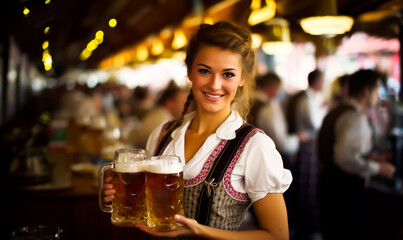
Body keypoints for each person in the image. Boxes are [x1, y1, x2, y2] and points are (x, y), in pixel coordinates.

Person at [103, 21, 292, 239]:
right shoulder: (162, 133)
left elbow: (278, 236)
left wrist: (199, 230)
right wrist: (123, 195)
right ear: (190, 72)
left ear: (242, 79)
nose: (214, 84)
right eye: (204, 71)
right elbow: (149, 212)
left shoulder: (255, 145)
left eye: (228, 74)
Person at [317, 69, 396, 240]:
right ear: (366, 91)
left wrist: (372, 158)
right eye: (377, 89)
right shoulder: (355, 117)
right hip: (344, 188)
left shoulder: (336, 111)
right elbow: (344, 158)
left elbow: (340, 150)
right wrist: (378, 168)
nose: (378, 95)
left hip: (330, 183)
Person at [284, 69, 326, 239]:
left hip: (306, 144)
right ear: (317, 82)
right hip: (306, 145)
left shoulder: (307, 98)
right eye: (323, 80)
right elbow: (315, 124)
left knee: (306, 184)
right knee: (306, 185)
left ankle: (304, 224)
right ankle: (305, 225)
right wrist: (324, 111)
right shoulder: (306, 100)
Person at [134, 82, 188, 149]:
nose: (187, 107)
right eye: (183, 103)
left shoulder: (158, 115)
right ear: (169, 103)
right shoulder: (164, 122)